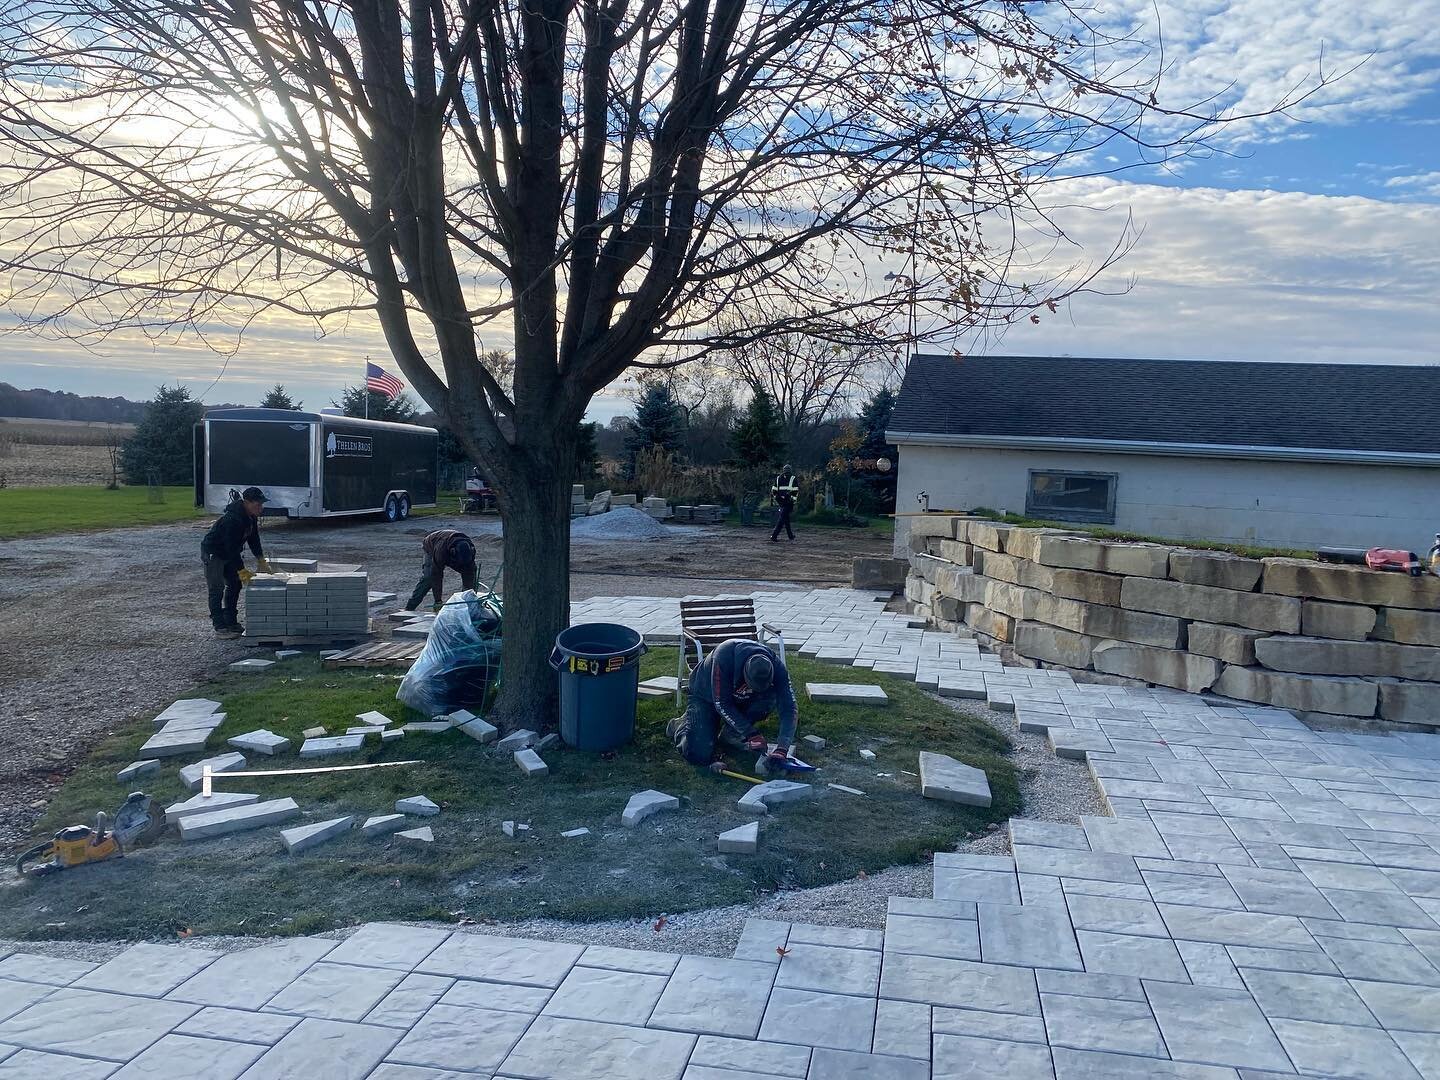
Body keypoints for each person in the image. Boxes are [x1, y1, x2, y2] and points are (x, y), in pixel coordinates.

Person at [668, 639, 798, 776]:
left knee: (769, 697)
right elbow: (721, 704)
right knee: (699, 753)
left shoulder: (777, 667)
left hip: (738, 697)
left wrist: (782, 749)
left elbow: (790, 708)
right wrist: (750, 733)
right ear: (746, 675)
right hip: (706, 696)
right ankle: (680, 725)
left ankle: (731, 734)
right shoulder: (723, 658)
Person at [200, 486, 271, 636]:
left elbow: (253, 539)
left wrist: (260, 560)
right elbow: (231, 548)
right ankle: (220, 626)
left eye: (261, 504)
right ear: (246, 502)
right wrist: (242, 570)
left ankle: (231, 621)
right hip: (215, 553)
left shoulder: (250, 517)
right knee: (216, 589)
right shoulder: (231, 520)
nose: (260, 507)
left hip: (229, 552)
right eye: (257, 504)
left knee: (235, 585)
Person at [405, 528, 480, 611]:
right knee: (429, 578)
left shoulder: (470, 550)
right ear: (453, 552)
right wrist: (438, 601)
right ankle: (410, 607)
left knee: (470, 574)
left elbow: (469, 573)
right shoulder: (441, 551)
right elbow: (436, 575)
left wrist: (468, 595)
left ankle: (466, 607)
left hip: (452, 549)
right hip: (431, 545)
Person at [770, 464, 799, 542]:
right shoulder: (793, 478)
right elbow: (795, 491)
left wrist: (777, 499)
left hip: (782, 502)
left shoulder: (778, 478)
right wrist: (792, 501)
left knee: (785, 518)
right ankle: (774, 535)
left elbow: (774, 490)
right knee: (783, 518)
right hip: (788, 503)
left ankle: (790, 536)